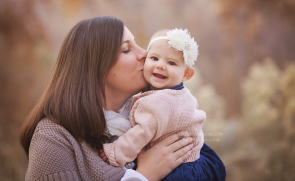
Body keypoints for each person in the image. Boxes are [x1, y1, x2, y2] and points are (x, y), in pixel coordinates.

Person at [19, 16, 195, 181]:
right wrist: (144, 175)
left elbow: (213, 164)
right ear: (95, 67)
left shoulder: (150, 117)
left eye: (138, 45)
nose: (145, 54)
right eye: (127, 49)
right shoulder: (53, 138)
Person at [101, 29, 224, 181]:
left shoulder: (159, 103)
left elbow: (141, 133)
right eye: (154, 58)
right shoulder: (180, 94)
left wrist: (116, 152)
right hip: (195, 162)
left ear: (186, 74)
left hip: (179, 171)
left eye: (171, 63)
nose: (160, 65)